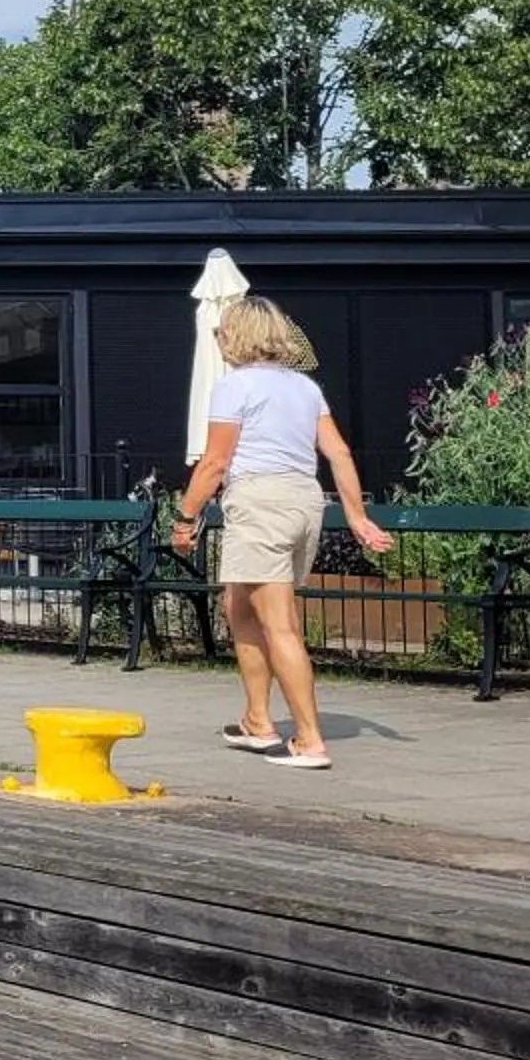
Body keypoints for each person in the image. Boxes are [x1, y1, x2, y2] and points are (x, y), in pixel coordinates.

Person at [172, 297, 391, 772]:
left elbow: (214, 463)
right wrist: (355, 515)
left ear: (238, 336)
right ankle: (256, 720)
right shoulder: (305, 388)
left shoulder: (234, 387)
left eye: (222, 331)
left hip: (260, 503)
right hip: (303, 502)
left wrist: (185, 517)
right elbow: (338, 454)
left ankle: (310, 740)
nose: (218, 339)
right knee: (238, 605)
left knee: (279, 623)